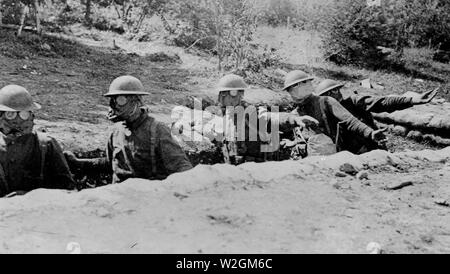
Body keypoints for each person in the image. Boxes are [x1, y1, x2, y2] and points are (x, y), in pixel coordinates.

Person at [64, 75, 193, 184]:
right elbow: (111, 164)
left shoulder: (157, 130)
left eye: (120, 100)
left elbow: (183, 169)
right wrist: (78, 163)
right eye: (112, 100)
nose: (114, 106)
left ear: (135, 101)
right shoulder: (116, 131)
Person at [203, 74, 318, 165]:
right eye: (221, 94)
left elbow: (270, 118)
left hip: (254, 168)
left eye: (226, 94)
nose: (221, 97)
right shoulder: (226, 115)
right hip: (234, 167)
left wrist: (293, 119)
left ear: (238, 95)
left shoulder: (250, 112)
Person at [315, 79, 440, 152]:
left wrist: (412, 100)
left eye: (336, 89)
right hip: (345, 153)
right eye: (330, 93)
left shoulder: (353, 101)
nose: (336, 93)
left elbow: (382, 102)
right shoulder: (324, 113)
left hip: (370, 146)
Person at [282, 70, 388, 155]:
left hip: (334, 157)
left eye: (296, 86)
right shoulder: (295, 114)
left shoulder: (326, 101)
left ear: (307, 84)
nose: (292, 91)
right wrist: (290, 143)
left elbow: (350, 121)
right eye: (290, 89)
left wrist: (370, 133)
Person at [0, 85, 75, 198]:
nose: (18, 121)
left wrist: (32, 197)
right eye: (11, 114)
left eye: (24, 114)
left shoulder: (45, 144)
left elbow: (68, 189)